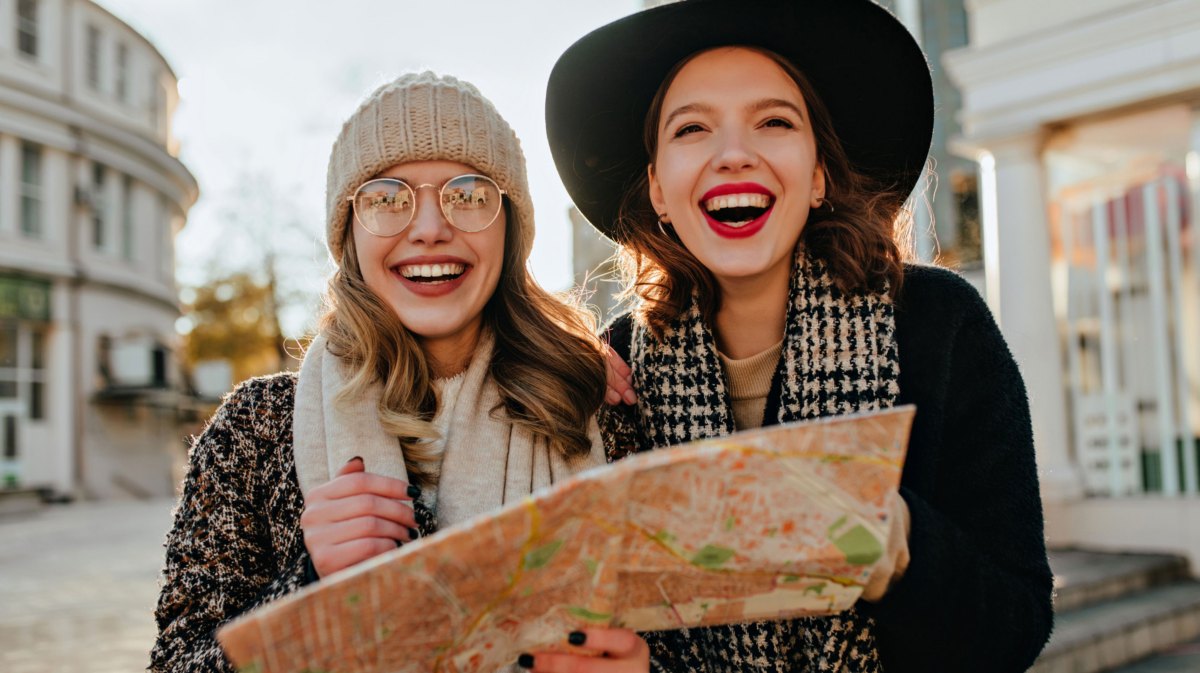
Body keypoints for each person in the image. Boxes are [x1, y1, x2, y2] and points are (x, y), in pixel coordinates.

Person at [542, 1, 1055, 672]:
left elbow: (1015, 624)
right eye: (692, 128)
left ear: (818, 175)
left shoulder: (936, 324)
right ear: (658, 190)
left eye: (775, 122)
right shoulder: (614, 375)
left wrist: (893, 544)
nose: (733, 154)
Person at [150, 71, 644, 673]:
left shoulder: (591, 405)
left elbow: (690, 633)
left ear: (509, 227)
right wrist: (309, 587)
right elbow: (176, 662)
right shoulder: (255, 430)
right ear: (349, 234)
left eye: (469, 194)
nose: (431, 227)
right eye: (387, 198)